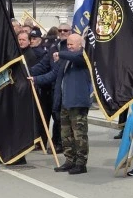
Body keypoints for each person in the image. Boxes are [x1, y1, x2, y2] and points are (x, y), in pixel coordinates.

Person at [33, 33, 93, 175]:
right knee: (66, 134)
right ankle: (70, 160)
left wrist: (60, 53)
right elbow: (53, 75)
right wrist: (35, 79)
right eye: (68, 44)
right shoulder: (65, 60)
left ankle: (81, 163)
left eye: (72, 44)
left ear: (80, 45)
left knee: (79, 134)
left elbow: (76, 57)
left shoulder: (83, 56)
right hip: (65, 102)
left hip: (78, 102)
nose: (69, 47)